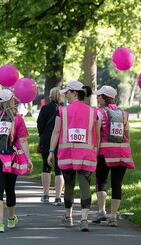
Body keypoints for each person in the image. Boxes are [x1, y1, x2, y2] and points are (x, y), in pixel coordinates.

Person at [0, 89, 33, 233]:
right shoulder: (17, 119)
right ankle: (11, 219)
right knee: (10, 189)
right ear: (12, 101)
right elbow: (23, 140)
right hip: (11, 160)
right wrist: (28, 159)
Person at [47, 81, 100, 232]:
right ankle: (84, 219)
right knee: (85, 185)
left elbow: (56, 132)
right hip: (87, 154)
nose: (65, 96)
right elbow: (96, 134)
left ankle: (68, 217)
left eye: (67, 93)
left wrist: (51, 151)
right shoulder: (93, 111)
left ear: (75, 92)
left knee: (69, 185)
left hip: (67, 153)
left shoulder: (62, 111)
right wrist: (97, 150)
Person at [92, 85, 135, 227]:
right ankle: (113, 216)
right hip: (122, 153)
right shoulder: (124, 114)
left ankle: (101, 210)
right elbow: (127, 134)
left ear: (104, 98)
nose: (97, 98)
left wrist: (96, 150)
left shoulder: (99, 113)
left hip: (105, 152)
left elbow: (97, 134)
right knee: (117, 183)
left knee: (101, 180)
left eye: (99, 96)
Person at [37, 87, 64, 205]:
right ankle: (58, 196)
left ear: (50, 96)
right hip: (60, 140)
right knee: (59, 169)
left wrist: (42, 134)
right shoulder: (63, 110)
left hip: (46, 138)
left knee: (45, 166)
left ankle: (46, 194)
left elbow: (40, 124)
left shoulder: (44, 108)